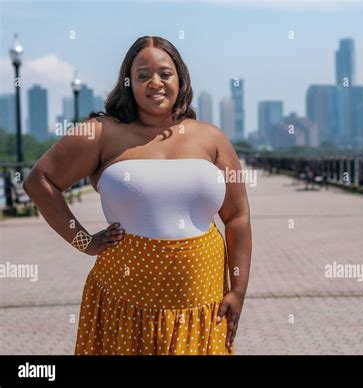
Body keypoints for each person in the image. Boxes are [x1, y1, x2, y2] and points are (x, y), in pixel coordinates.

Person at [23, 35, 252, 355]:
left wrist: (238, 289)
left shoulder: (211, 138)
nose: (155, 82)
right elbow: (39, 181)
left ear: (180, 79)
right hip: (125, 307)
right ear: (128, 83)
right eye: (143, 75)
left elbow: (237, 216)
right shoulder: (101, 132)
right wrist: (85, 242)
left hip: (202, 308)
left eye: (165, 74)